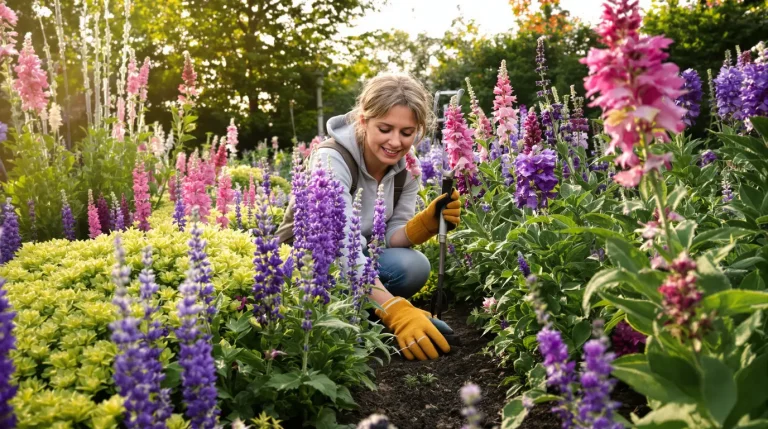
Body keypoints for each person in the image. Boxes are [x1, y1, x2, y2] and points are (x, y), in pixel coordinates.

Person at [298, 73, 462, 361]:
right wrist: (395, 311)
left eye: (407, 132)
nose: (395, 142)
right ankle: (371, 314)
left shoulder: (407, 170)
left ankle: (366, 312)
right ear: (363, 120)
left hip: (363, 260)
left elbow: (391, 236)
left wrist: (426, 223)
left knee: (413, 266)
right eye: (385, 128)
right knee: (349, 271)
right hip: (318, 262)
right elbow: (341, 245)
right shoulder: (331, 158)